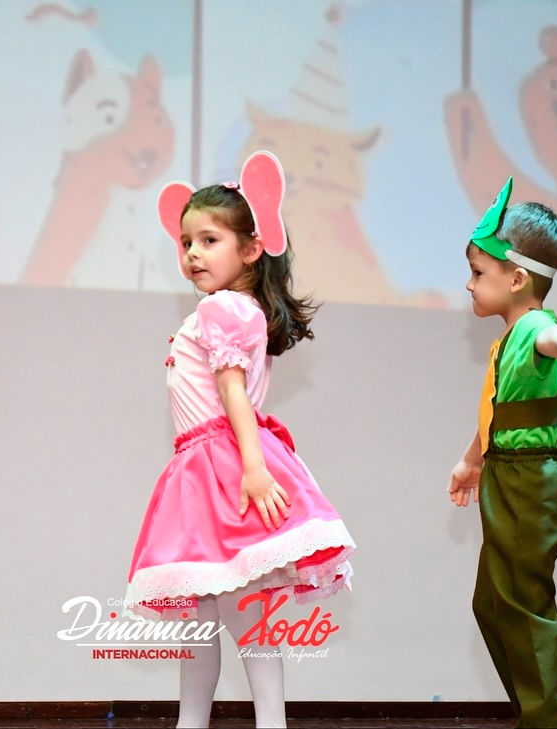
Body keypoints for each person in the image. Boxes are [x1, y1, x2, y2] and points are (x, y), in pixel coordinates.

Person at [126, 151, 356, 729]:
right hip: (209, 470)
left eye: (209, 240)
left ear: (252, 249)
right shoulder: (234, 309)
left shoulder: (223, 308)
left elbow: (232, 392)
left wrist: (253, 468)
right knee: (213, 627)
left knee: (238, 624)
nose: (192, 253)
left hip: (222, 473)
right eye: (186, 242)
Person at [447, 177, 557, 729]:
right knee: (491, 604)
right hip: (506, 472)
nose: (469, 284)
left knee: (520, 600)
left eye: (478, 273)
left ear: (517, 279)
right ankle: (544, 713)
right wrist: (472, 461)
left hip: (531, 480)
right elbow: (500, 412)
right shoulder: (508, 339)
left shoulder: (535, 326)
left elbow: (550, 338)